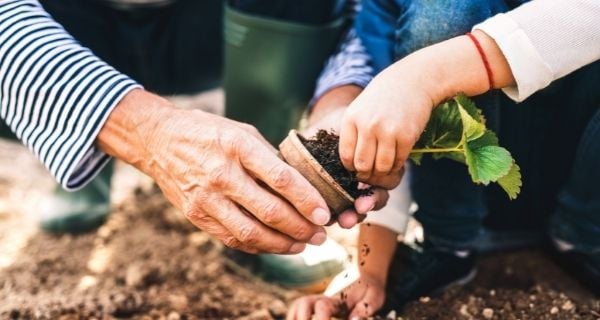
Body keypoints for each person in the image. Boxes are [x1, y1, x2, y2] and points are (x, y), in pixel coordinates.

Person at [287, 0, 600, 318]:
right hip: (455, 210)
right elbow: (390, 114)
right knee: (442, 10)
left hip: (582, 176)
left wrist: (426, 76)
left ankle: (583, 236)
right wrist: (370, 271)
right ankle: (450, 246)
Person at [0, 0, 389, 254]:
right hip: (57, 25)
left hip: (213, 26)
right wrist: (146, 132)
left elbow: (369, 8)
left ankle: (264, 191)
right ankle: (82, 164)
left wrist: (341, 94)